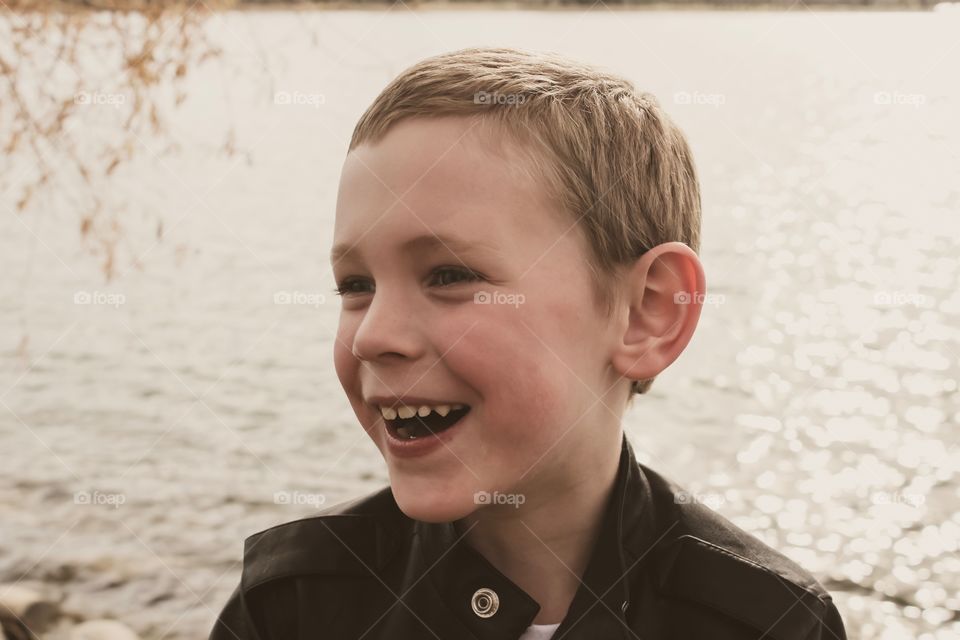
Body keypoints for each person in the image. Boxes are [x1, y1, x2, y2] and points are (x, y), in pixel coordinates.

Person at [209, 47, 846, 640]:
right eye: (355, 284)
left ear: (647, 312)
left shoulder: (769, 624)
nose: (374, 334)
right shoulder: (290, 607)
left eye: (450, 275)